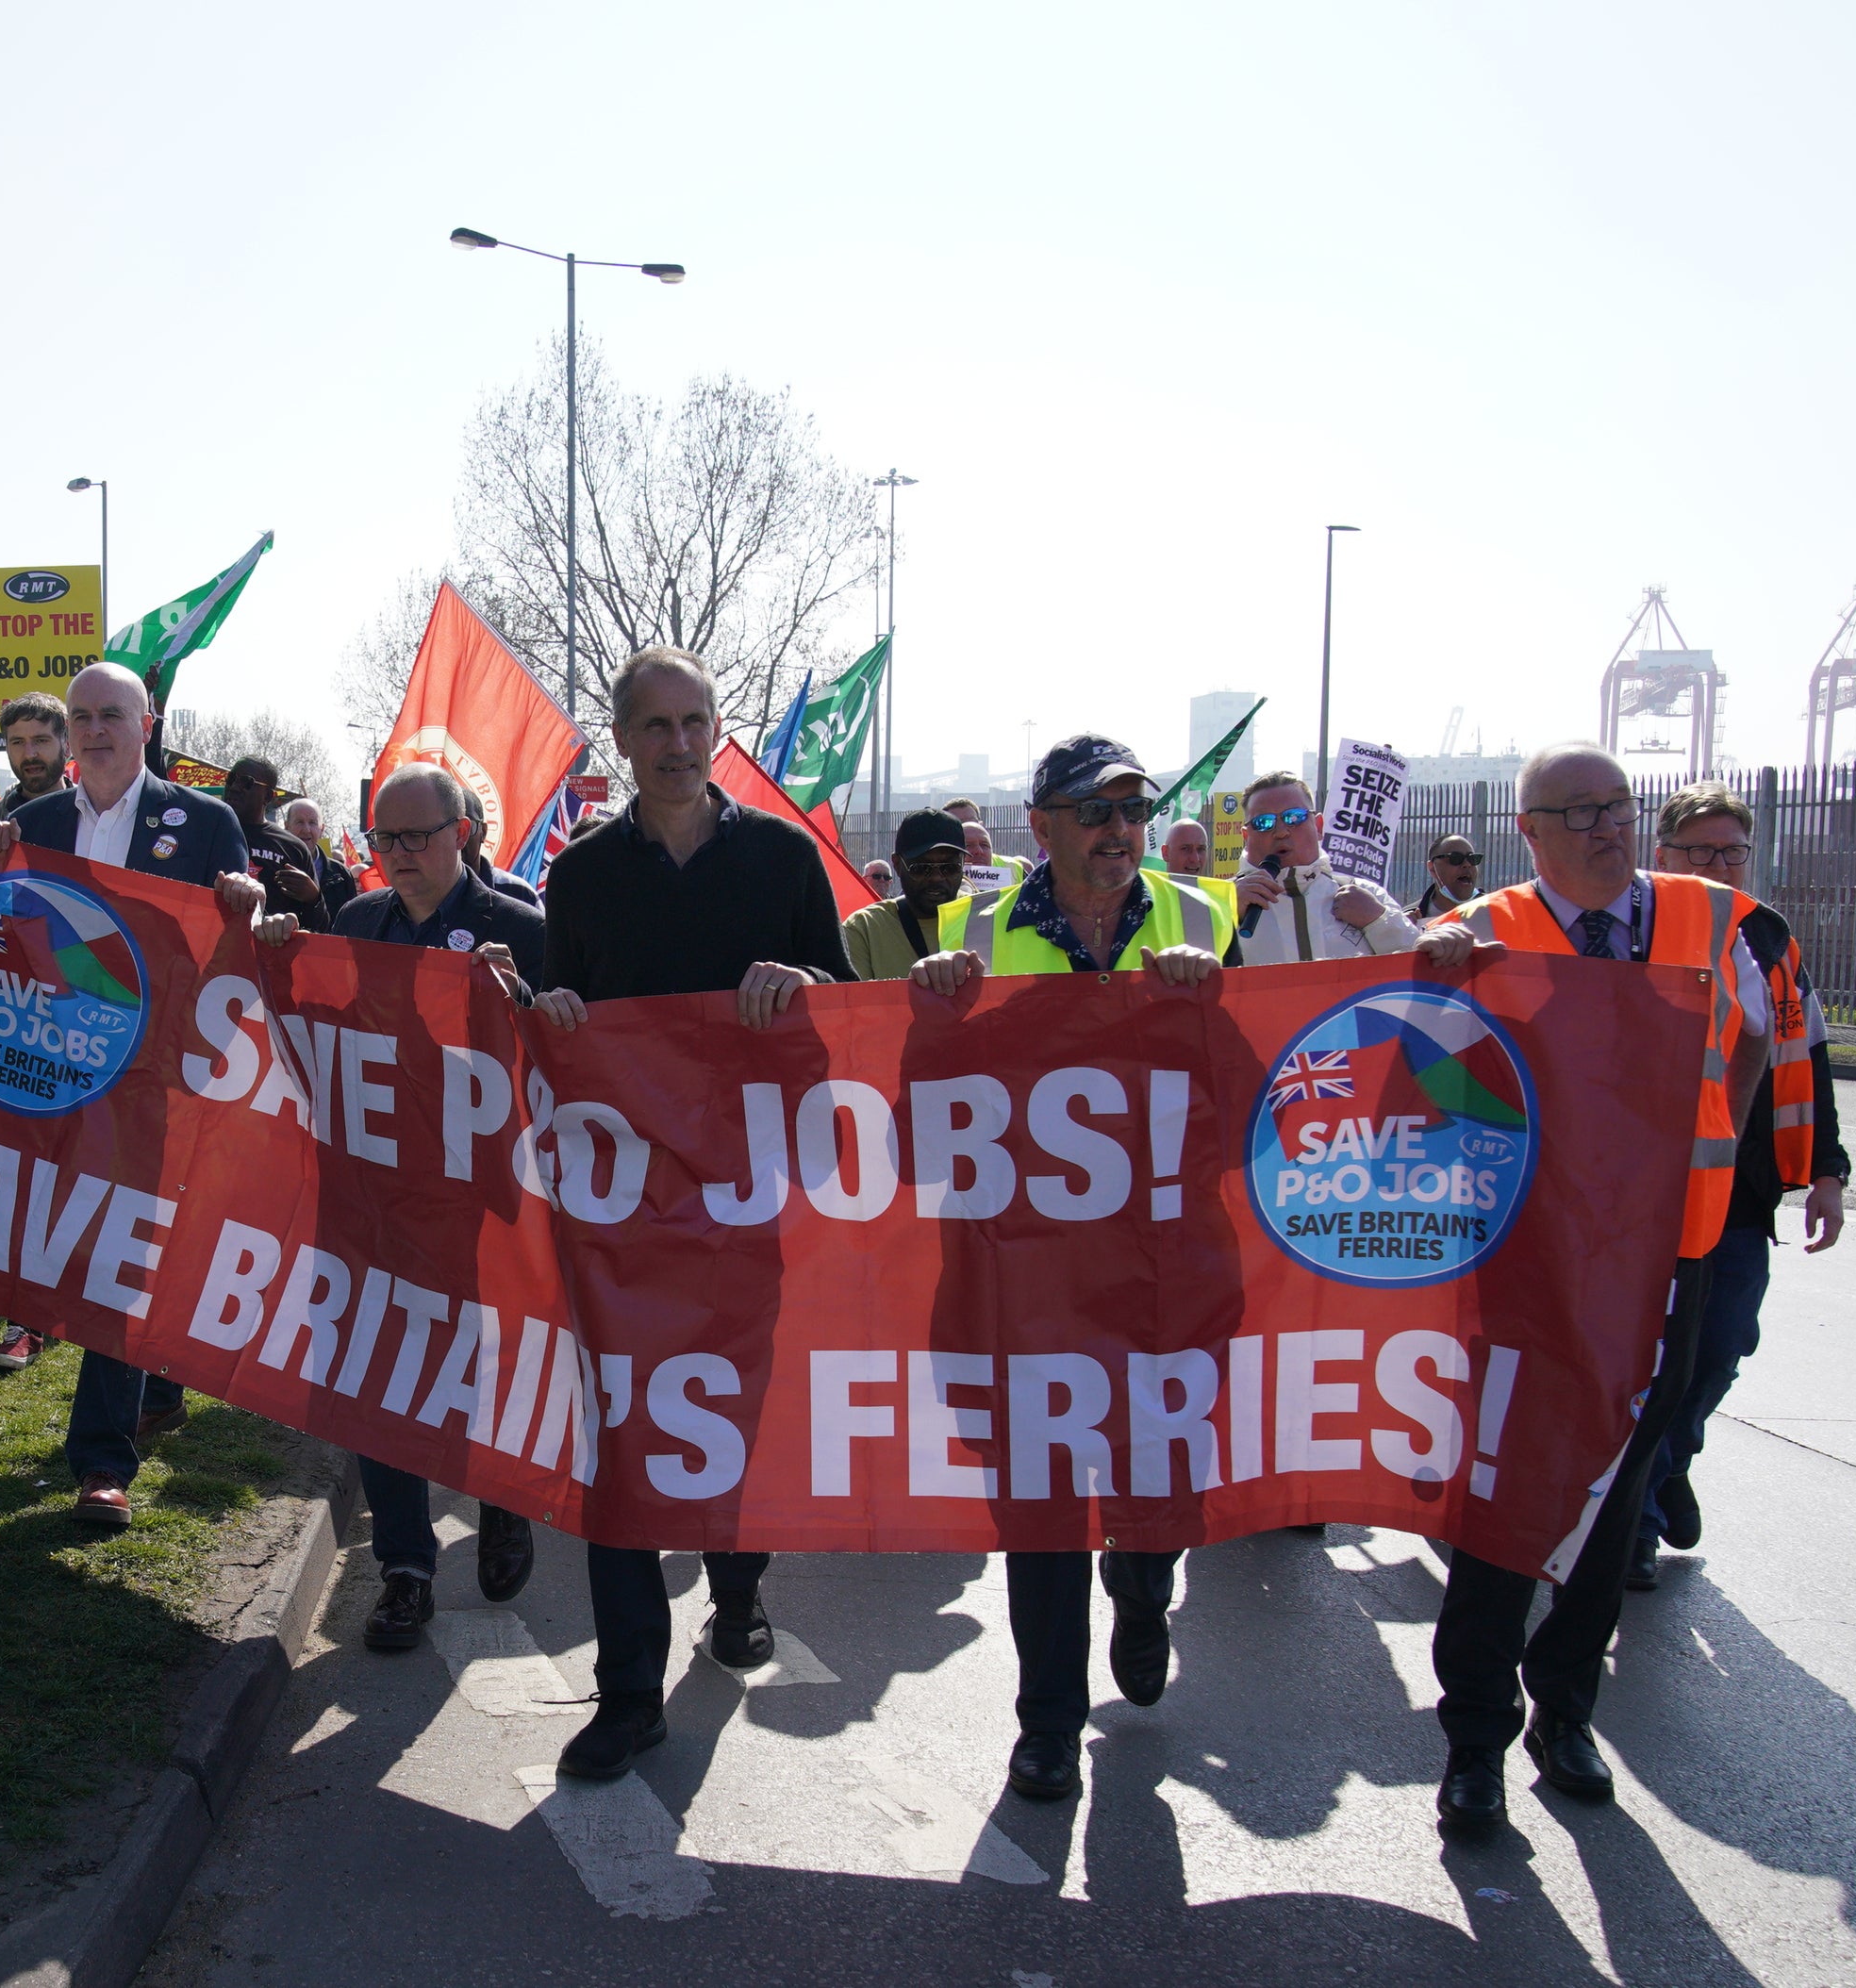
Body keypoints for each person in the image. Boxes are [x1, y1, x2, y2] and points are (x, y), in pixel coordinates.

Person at [1412, 742, 1770, 1833]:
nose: (1610, 826)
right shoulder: (1485, 932)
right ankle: (1474, 1730)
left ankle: (1564, 1709)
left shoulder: (1713, 917)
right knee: (1503, 1487)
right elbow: (1424, 1079)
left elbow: (1754, 1039)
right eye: (1581, 811)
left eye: (1619, 805)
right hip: (1527, 1261)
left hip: (1670, 1259)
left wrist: (1701, 1154)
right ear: (1533, 833)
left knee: (1620, 1493)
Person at [531, 646, 853, 1782]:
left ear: (718, 728)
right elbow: (556, 1023)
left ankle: (741, 1585)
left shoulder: (781, 854)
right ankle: (628, 1697)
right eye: (655, 724)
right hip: (622, 1213)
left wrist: (804, 986)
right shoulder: (578, 875)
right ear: (620, 740)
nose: (677, 742)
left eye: (695, 720)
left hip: (748, 1203)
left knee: (734, 1418)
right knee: (622, 1434)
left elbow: (845, 1019)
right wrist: (556, 1008)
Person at [904, 734, 1235, 1804]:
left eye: (1133, 811)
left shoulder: (1206, 918)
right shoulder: (977, 933)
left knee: (1155, 1484)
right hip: (1026, 1279)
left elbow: (1273, 1083)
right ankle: (1046, 1720)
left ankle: (1142, 1594)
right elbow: (921, 1114)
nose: (1119, 831)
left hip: (1166, 1276)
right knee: (1038, 1503)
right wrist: (930, 1012)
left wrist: (1214, 1002)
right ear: (1041, 827)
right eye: (1094, 812)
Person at [250, 762, 545, 1646]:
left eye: (418, 835)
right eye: (385, 839)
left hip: (484, 1199)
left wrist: (520, 1001)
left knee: (482, 1366)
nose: (400, 853)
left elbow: (573, 1058)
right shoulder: (358, 922)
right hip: (377, 1192)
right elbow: (324, 1037)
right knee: (381, 1376)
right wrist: (274, 959)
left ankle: (504, 1495)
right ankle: (406, 1570)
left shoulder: (521, 927)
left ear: (464, 833)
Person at [0, 660, 260, 1526]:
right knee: (65, 1240)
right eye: (82, 716)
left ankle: (101, 1460)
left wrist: (242, 904)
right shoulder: (32, 821)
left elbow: (228, 958)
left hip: (149, 1078)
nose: (95, 730)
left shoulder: (204, 823)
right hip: (48, 1070)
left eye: (111, 715)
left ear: (149, 721)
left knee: (118, 1259)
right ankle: (159, 1377)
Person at [1630, 782, 1846, 1589]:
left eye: (1733, 851)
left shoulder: (1769, 934)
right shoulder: (1631, 926)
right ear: (1664, 856)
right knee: (1649, 1362)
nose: (1721, 865)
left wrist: (1828, 1170)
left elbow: (1807, 1056)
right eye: (1702, 852)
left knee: (1718, 1351)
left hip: (1742, 1188)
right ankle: (1638, 1523)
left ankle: (1668, 1462)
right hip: (1647, 1188)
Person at [1229, 770, 1419, 963]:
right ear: (1246, 836)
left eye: (1294, 817)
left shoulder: (1367, 894)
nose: (1281, 832)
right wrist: (1224, 915)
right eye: (1263, 823)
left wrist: (1379, 922)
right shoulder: (1218, 900)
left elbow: (1422, 971)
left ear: (1318, 826)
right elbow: (1199, 976)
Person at [842, 809, 974, 982]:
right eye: (921, 868)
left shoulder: (986, 917)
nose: (936, 877)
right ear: (897, 865)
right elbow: (855, 1005)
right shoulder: (864, 929)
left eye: (949, 867)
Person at [225, 755, 332, 930]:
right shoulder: (210, 832)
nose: (234, 788)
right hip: (214, 951)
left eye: (246, 783)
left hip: (271, 953)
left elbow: (321, 928)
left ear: (268, 796)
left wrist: (313, 898)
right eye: (231, 779)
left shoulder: (294, 848)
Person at [0, 692, 69, 825]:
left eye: (40, 740)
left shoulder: (96, 815)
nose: (29, 754)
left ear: (67, 745)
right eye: (18, 742)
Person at [456, 785, 543, 904]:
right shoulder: (421, 895)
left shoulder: (521, 894)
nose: (459, 835)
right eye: (446, 827)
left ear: (484, 832)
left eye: (468, 827)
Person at [280, 796, 359, 924]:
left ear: (321, 829)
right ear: (286, 826)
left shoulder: (341, 875)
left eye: (312, 822)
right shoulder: (274, 866)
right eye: (299, 822)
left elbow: (351, 924)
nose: (306, 830)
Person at [1414, 834, 1484, 919]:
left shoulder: (1496, 914)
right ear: (1432, 868)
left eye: (1472, 858)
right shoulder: (1411, 921)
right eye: (1455, 858)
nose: (1467, 864)